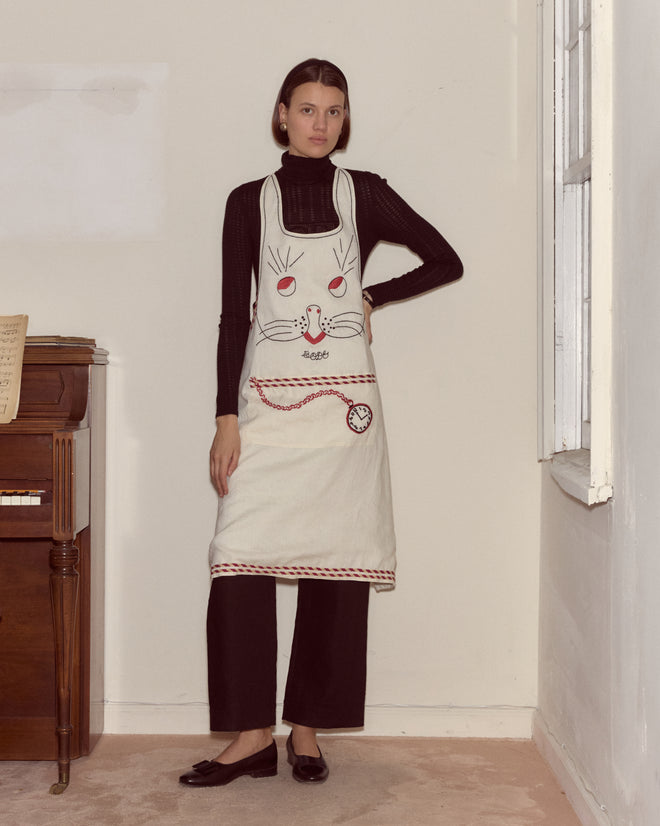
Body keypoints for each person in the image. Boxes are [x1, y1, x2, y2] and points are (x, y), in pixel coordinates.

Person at [179, 58, 463, 788]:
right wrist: (224, 417)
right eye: (306, 109)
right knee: (238, 559)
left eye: (333, 111)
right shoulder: (248, 202)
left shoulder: (364, 194)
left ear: (345, 119)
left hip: (345, 413)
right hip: (266, 407)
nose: (319, 124)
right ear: (281, 115)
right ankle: (250, 736)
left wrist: (374, 296)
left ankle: (305, 730)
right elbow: (231, 317)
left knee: (335, 569)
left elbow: (444, 259)